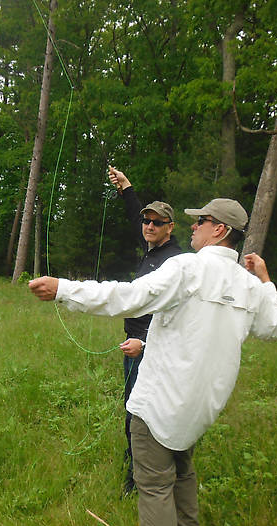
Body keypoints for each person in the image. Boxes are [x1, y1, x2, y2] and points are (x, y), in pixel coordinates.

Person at [29, 197, 277, 526]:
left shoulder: (188, 267)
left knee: (153, 491)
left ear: (219, 229)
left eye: (200, 221)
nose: (193, 228)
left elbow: (131, 297)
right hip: (198, 410)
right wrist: (265, 279)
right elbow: (276, 326)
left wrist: (64, 289)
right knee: (182, 473)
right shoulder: (249, 287)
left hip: (158, 408)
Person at [108, 165, 182, 494]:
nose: (149, 226)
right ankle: (135, 465)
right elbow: (132, 217)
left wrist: (145, 343)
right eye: (146, 221)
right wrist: (125, 186)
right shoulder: (154, 249)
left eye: (157, 222)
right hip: (133, 346)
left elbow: (178, 317)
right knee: (132, 408)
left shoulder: (176, 260)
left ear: (171, 227)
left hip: (150, 350)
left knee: (142, 413)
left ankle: (140, 477)